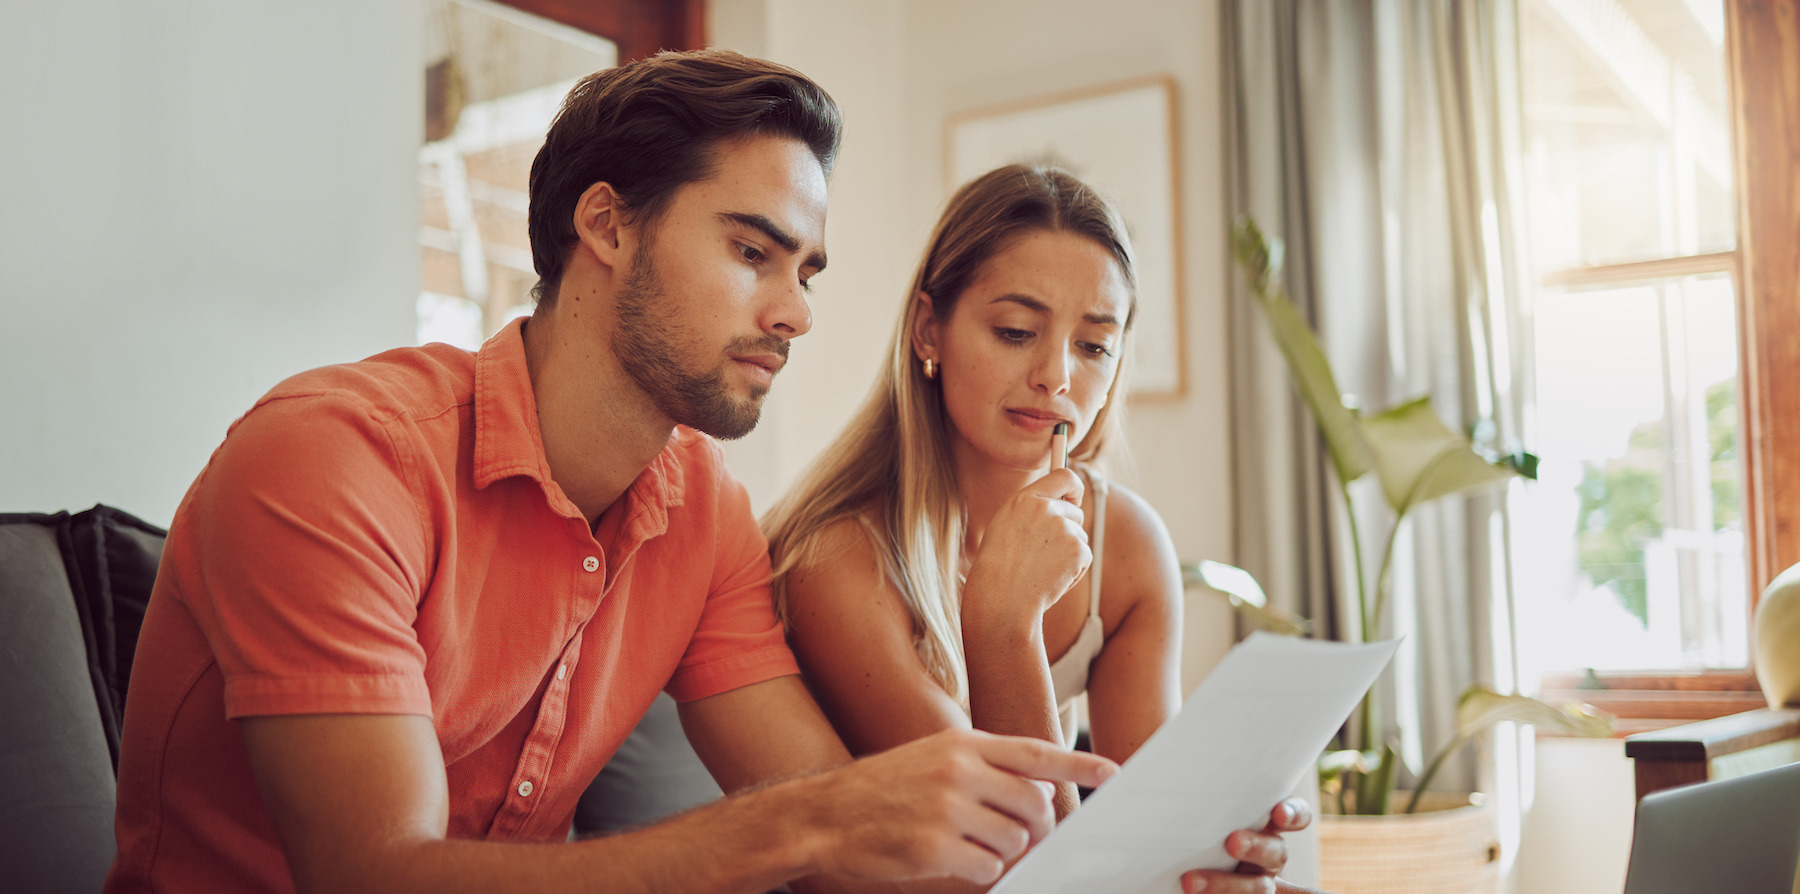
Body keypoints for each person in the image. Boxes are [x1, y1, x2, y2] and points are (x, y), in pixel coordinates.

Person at [103, 51, 1119, 894]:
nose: (796, 313)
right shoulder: (331, 459)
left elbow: (860, 840)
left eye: (805, 271)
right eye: (752, 252)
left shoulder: (706, 516)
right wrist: (810, 825)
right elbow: (374, 875)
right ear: (606, 226)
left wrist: (1184, 855)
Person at [763, 164, 1316, 894]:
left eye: (1094, 346)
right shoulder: (838, 557)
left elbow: (1139, 840)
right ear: (930, 328)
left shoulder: (1124, 546)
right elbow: (1016, 859)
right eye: (1017, 331)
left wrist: (1215, 856)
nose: (1056, 375)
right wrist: (1002, 621)